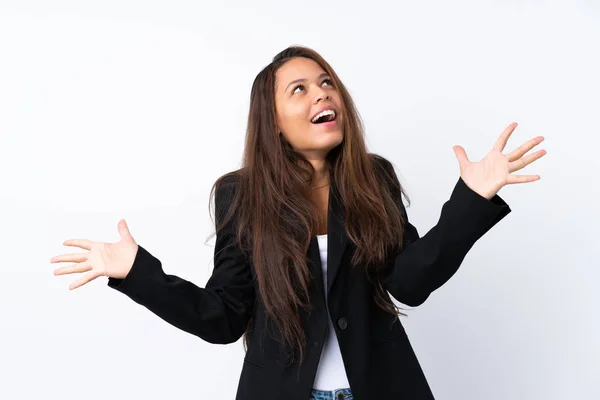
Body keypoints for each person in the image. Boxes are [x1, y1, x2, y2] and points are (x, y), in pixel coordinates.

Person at [50, 46, 546, 400]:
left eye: (327, 82)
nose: (321, 95)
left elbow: (409, 283)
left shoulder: (374, 177)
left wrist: (472, 201)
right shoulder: (240, 195)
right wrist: (137, 274)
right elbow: (223, 318)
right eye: (300, 89)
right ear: (274, 119)